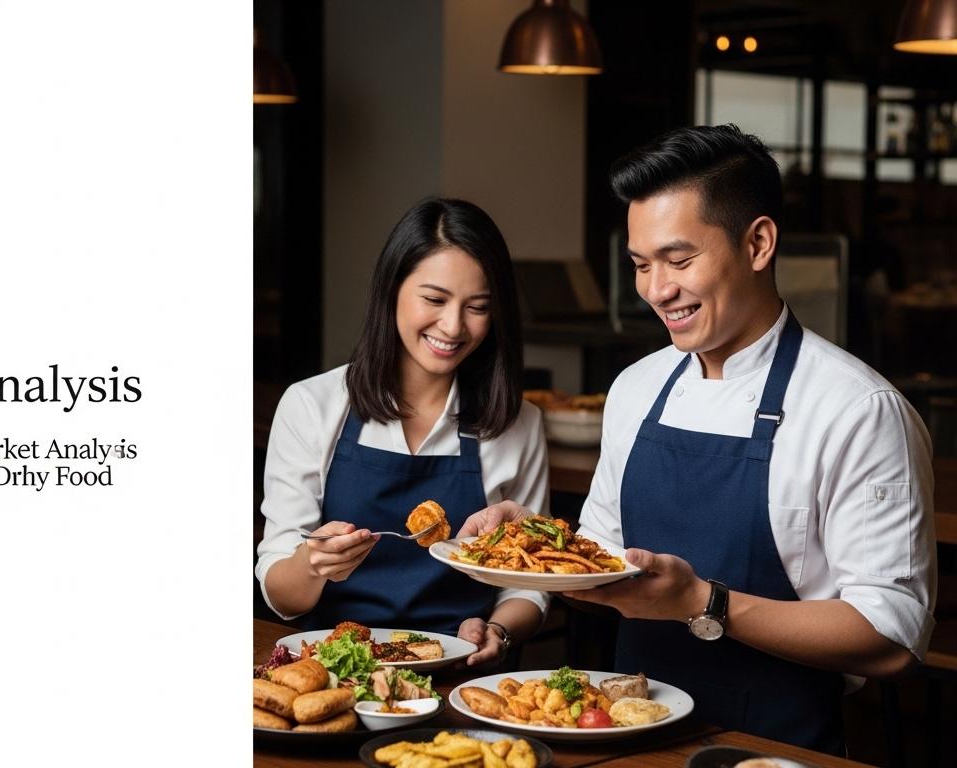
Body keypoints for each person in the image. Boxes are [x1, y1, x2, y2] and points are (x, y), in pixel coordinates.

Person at [460, 125, 936, 753]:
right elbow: (602, 570)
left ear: (759, 242)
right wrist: (537, 539)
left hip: (773, 747)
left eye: (680, 260)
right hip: (623, 734)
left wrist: (701, 601)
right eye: (640, 265)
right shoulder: (635, 388)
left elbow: (892, 635)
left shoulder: (857, 409)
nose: (657, 290)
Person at [255, 197, 548, 665]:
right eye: (434, 299)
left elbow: (527, 584)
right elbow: (281, 592)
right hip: (335, 670)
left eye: (477, 307)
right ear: (392, 290)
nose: (453, 327)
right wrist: (313, 565)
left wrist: (498, 630)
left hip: (460, 672)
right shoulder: (313, 405)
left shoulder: (518, 423)